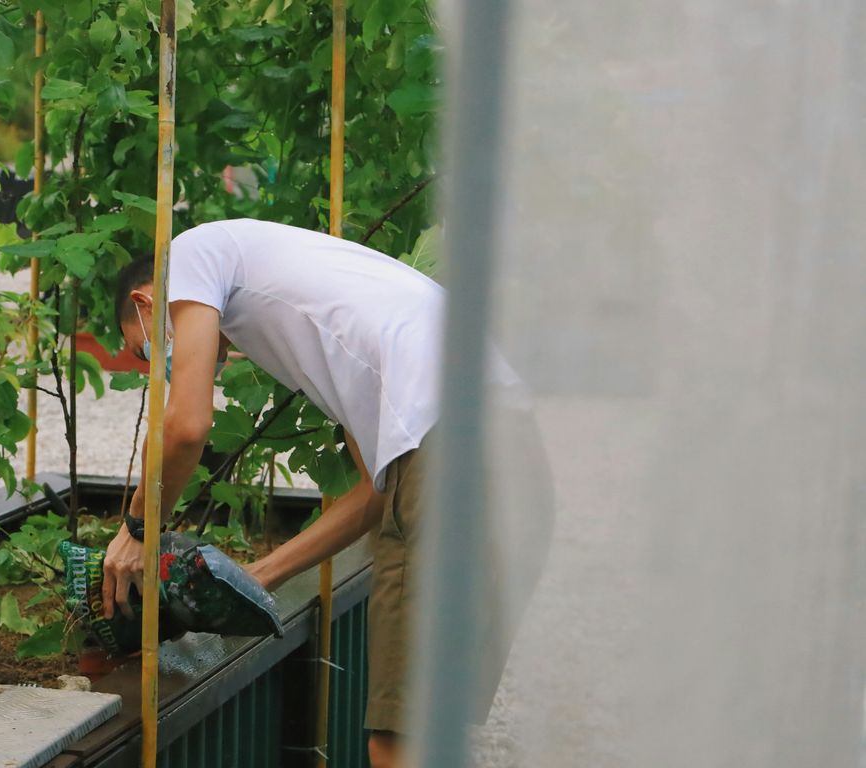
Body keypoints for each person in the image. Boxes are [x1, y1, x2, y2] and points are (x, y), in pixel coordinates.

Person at [100, 218, 553, 768]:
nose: (157, 368)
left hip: (452, 457)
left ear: (148, 305)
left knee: (397, 743)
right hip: (512, 455)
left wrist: (135, 531)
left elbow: (187, 425)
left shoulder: (191, 254)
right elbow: (372, 495)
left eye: (144, 353)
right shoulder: (323, 304)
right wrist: (256, 578)